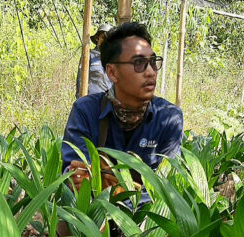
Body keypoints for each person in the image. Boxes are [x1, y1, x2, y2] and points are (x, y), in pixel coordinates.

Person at [62, 22, 183, 198]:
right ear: (112, 72)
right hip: (94, 219)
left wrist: (111, 185)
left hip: (146, 221)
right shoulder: (85, 111)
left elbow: (167, 190)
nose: (150, 72)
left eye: (153, 62)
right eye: (139, 63)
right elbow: (75, 178)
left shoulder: (169, 117)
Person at [75, 23, 113, 98]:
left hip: (108, 103)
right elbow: (80, 80)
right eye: (103, 38)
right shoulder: (88, 55)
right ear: (97, 38)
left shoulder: (113, 59)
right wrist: (81, 101)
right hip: (91, 102)